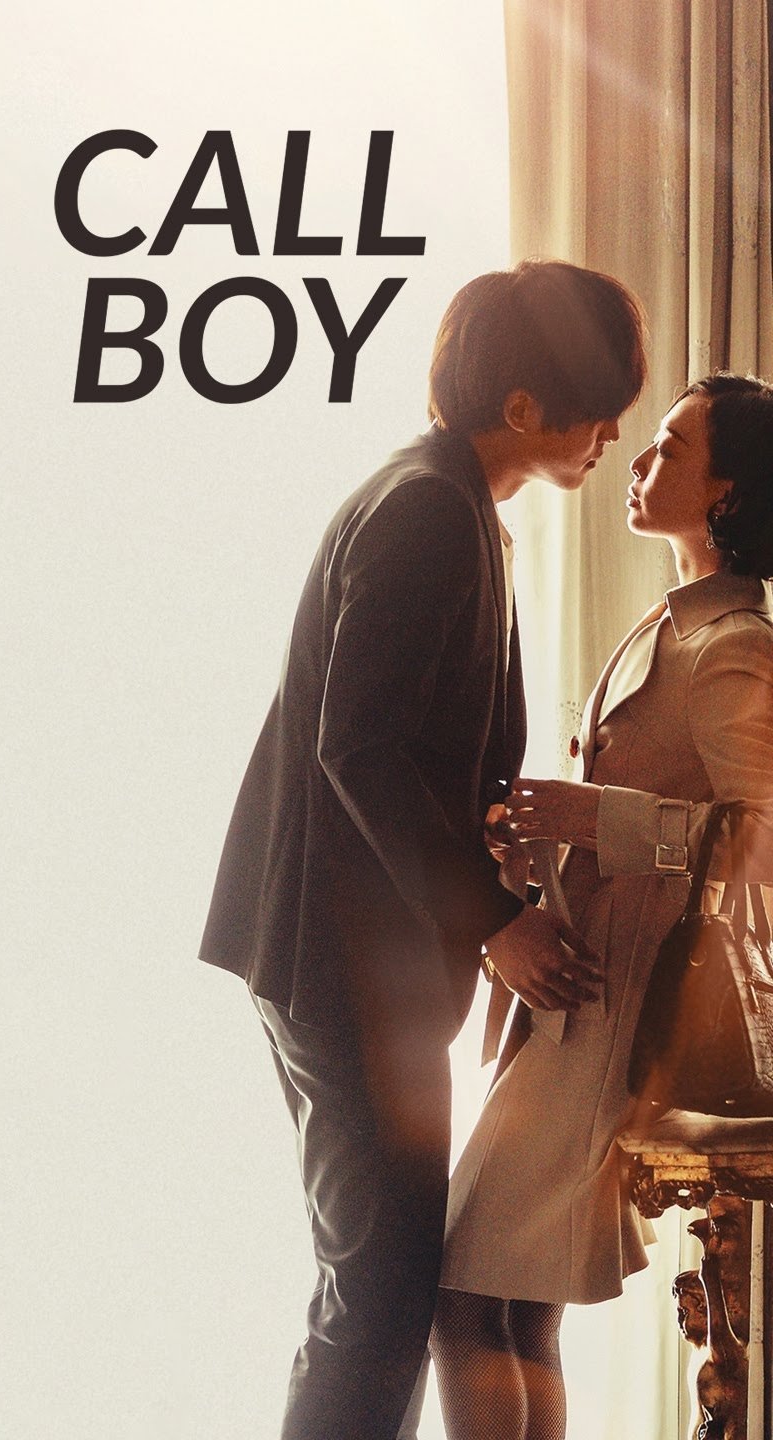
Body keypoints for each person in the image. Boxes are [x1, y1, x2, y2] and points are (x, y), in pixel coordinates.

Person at [199, 259, 647, 1440]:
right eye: (600, 410)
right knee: (380, 1298)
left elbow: (400, 745)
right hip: (338, 961)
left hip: (350, 960)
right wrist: (495, 922)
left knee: (380, 1292)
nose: (612, 436)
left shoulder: (455, 505)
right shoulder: (425, 512)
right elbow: (360, 748)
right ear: (523, 407)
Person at [430, 372, 773, 1440]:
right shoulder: (668, 626)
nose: (640, 460)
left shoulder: (734, 644)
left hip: (621, 1011)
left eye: (671, 448)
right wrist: (540, 842)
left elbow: (763, 841)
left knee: (470, 1297)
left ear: (724, 493)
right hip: (576, 995)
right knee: (511, 1301)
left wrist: (600, 817)